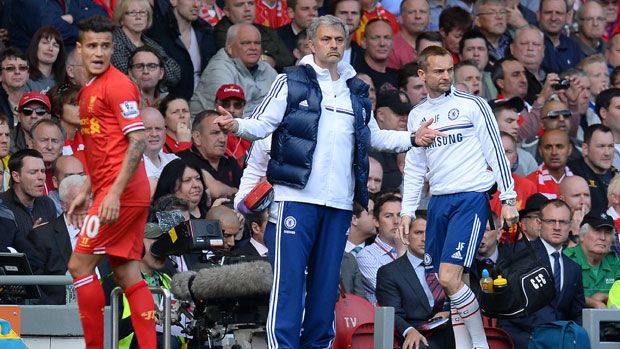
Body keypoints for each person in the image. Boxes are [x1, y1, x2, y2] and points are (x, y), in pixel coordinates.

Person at [213, 15, 439, 348]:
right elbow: (261, 126)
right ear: (311, 44)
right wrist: (237, 126)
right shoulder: (290, 81)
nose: (333, 45)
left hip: (338, 205)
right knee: (289, 284)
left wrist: (412, 138)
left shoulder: (357, 90)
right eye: (327, 39)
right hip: (295, 199)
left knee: (325, 286)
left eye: (339, 40)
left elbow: (374, 136)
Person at [400, 46, 518, 349]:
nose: (445, 76)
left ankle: (480, 345)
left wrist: (508, 198)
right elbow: (414, 167)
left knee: (449, 276)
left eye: (449, 69)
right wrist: (407, 210)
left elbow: (496, 151)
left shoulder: (473, 105)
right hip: (438, 201)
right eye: (438, 71)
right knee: (453, 282)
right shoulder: (417, 115)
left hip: (470, 197)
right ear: (422, 74)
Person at [66, 16, 155, 349]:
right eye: (92, 46)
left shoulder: (116, 85)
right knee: (126, 272)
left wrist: (113, 193)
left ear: (113, 48)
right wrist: (87, 190)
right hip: (111, 191)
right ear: (80, 49)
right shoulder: (89, 89)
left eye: (105, 46)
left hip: (122, 194)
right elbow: (105, 148)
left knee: (78, 265)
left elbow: (138, 141)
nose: (99, 52)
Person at [498, 199, 585, 349]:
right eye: (551, 221)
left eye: (563, 222)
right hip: (522, 342)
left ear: (570, 226)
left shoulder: (573, 268)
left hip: (561, 342)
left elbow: (577, 314)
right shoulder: (518, 254)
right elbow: (505, 306)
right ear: (539, 224)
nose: (557, 227)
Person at [376, 210, 455, 349]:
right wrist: (409, 331)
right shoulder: (389, 272)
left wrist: (450, 313)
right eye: (418, 233)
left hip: (453, 329)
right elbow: (392, 313)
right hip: (416, 333)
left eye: (429, 233)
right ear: (406, 236)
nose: (425, 238)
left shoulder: (451, 266)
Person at [190, 23, 278, 118]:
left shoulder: (266, 68)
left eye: (257, 43)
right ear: (230, 48)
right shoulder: (219, 70)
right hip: (214, 128)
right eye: (246, 43)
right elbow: (229, 113)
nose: (253, 48)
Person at [28, 174, 85, 305]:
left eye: (91, 198)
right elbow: (34, 288)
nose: (88, 204)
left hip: (105, 314)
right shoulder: (42, 236)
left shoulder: (105, 235)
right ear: (64, 205)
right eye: (79, 200)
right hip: (59, 316)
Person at [146, 0, 217, 100]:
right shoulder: (157, 34)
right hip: (170, 105)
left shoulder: (206, 31)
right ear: (174, 1)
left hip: (204, 102)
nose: (197, 4)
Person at [111, 0, 181, 90]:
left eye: (143, 12)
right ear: (121, 18)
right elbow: (127, 76)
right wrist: (156, 71)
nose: (138, 17)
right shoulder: (114, 42)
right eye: (132, 13)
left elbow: (175, 74)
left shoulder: (151, 43)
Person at [177, 110, 242, 199]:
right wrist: (234, 191)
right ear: (197, 138)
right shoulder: (183, 160)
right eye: (215, 133)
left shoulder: (230, 161)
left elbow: (247, 192)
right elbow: (215, 192)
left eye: (225, 133)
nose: (223, 139)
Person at [212, 0, 295, 69]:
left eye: (251, 3)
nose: (247, 9)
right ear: (227, 11)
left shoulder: (267, 31)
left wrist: (273, 60)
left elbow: (289, 59)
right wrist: (264, 59)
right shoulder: (220, 32)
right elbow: (239, 61)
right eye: (240, 5)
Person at [564, 209, 620, 309]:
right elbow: (561, 294)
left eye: (607, 233)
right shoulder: (567, 258)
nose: (603, 238)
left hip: (612, 322)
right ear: (582, 235)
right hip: (575, 321)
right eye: (597, 231)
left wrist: (605, 297)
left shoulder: (615, 262)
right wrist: (592, 302)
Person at [357, 193, 405, 303]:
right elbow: (393, 293)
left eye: (400, 215)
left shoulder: (416, 249)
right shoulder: (366, 255)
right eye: (388, 216)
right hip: (386, 318)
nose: (396, 221)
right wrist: (401, 252)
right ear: (376, 222)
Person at [568, 124, 617, 212]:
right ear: (585, 149)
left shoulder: (616, 175)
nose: (607, 153)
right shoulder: (571, 173)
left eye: (610, 146)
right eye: (601, 146)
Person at [538, 0, 584, 73]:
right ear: (538, 15)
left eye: (559, 13)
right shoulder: (530, 43)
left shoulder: (574, 47)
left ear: (567, 16)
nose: (553, 18)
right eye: (548, 12)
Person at [526, 129, 574, 198]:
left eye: (559, 146)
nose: (554, 152)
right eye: (548, 147)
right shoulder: (530, 183)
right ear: (540, 151)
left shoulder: (580, 181)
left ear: (569, 149)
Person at [356, 19, 399, 91]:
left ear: (392, 42)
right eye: (375, 38)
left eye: (387, 38)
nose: (382, 43)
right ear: (364, 42)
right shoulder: (356, 76)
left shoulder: (398, 77)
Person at [387, 0, 430, 70]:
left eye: (422, 12)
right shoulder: (391, 47)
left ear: (430, 17)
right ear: (400, 18)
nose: (418, 16)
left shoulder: (436, 42)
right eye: (411, 12)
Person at [142, 107, 178, 184]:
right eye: (148, 129)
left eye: (158, 129)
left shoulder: (174, 160)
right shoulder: (131, 165)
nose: (154, 134)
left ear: (165, 132)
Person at [29, 119, 65, 197]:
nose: (49, 146)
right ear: (31, 143)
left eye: (54, 141)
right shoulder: (23, 174)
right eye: (44, 140)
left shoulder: (67, 173)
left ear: (62, 147)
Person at [25, 27, 66, 93]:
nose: (50, 48)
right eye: (45, 43)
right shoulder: (24, 78)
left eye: (55, 45)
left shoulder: (63, 79)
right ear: (35, 46)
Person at [559, 175, 592, 245]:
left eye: (586, 195)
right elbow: (566, 256)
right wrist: (576, 233)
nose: (583, 202)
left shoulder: (604, 223)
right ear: (562, 200)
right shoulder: (554, 227)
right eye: (576, 196)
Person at [0, 48, 29, 127]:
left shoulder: (34, 100)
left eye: (22, 68)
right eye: (10, 68)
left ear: (28, 74)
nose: (17, 72)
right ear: (0, 75)